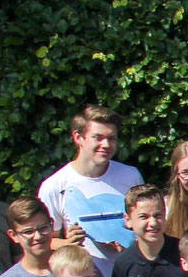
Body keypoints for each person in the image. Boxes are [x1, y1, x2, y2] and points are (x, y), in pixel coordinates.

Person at [37, 104, 144, 266]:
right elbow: (46, 241)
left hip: (132, 273)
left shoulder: (131, 176)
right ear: (78, 137)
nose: (106, 145)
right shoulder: (54, 186)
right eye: (98, 137)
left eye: (111, 138)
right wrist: (69, 243)